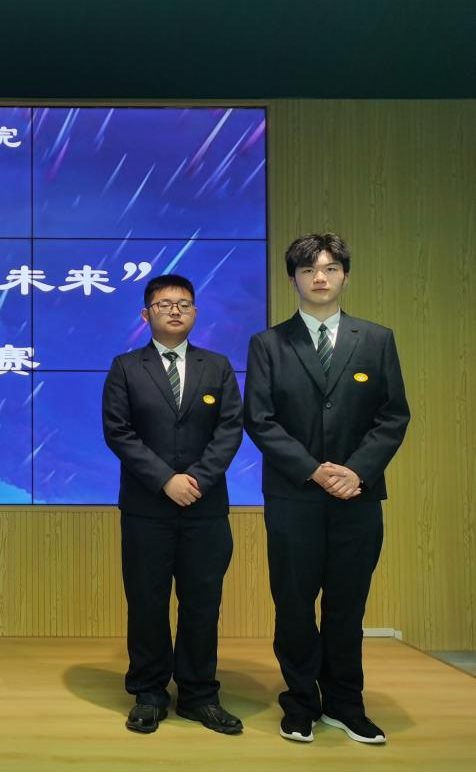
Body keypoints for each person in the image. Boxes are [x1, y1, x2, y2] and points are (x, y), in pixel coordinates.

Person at [244, 233, 409, 745]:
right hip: (294, 496)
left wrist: (357, 471)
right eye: (309, 269)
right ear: (292, 279)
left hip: (357, 496)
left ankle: (345, 703)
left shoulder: (377, 339)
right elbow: (260, 419)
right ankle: (300, 703)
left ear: (345, 276)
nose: (320, 277)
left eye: (331, 268)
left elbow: (393, 416)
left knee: (347, 605)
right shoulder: (268, 344)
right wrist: (313, 470)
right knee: (294, 603)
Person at [102, 274, 245, 735]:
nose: (175, 311)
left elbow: (230, 429)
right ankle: (148, 693)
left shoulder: (217, 366)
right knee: (147, 602)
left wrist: (196, 480)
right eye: (164, 304)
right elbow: (118, 432)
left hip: (205, 507)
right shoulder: (126, 367)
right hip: (147, 508)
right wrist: (165, 480)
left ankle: (200, 694)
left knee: (203, 603)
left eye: (184, 304)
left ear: (195, 313)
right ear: (146, 315)